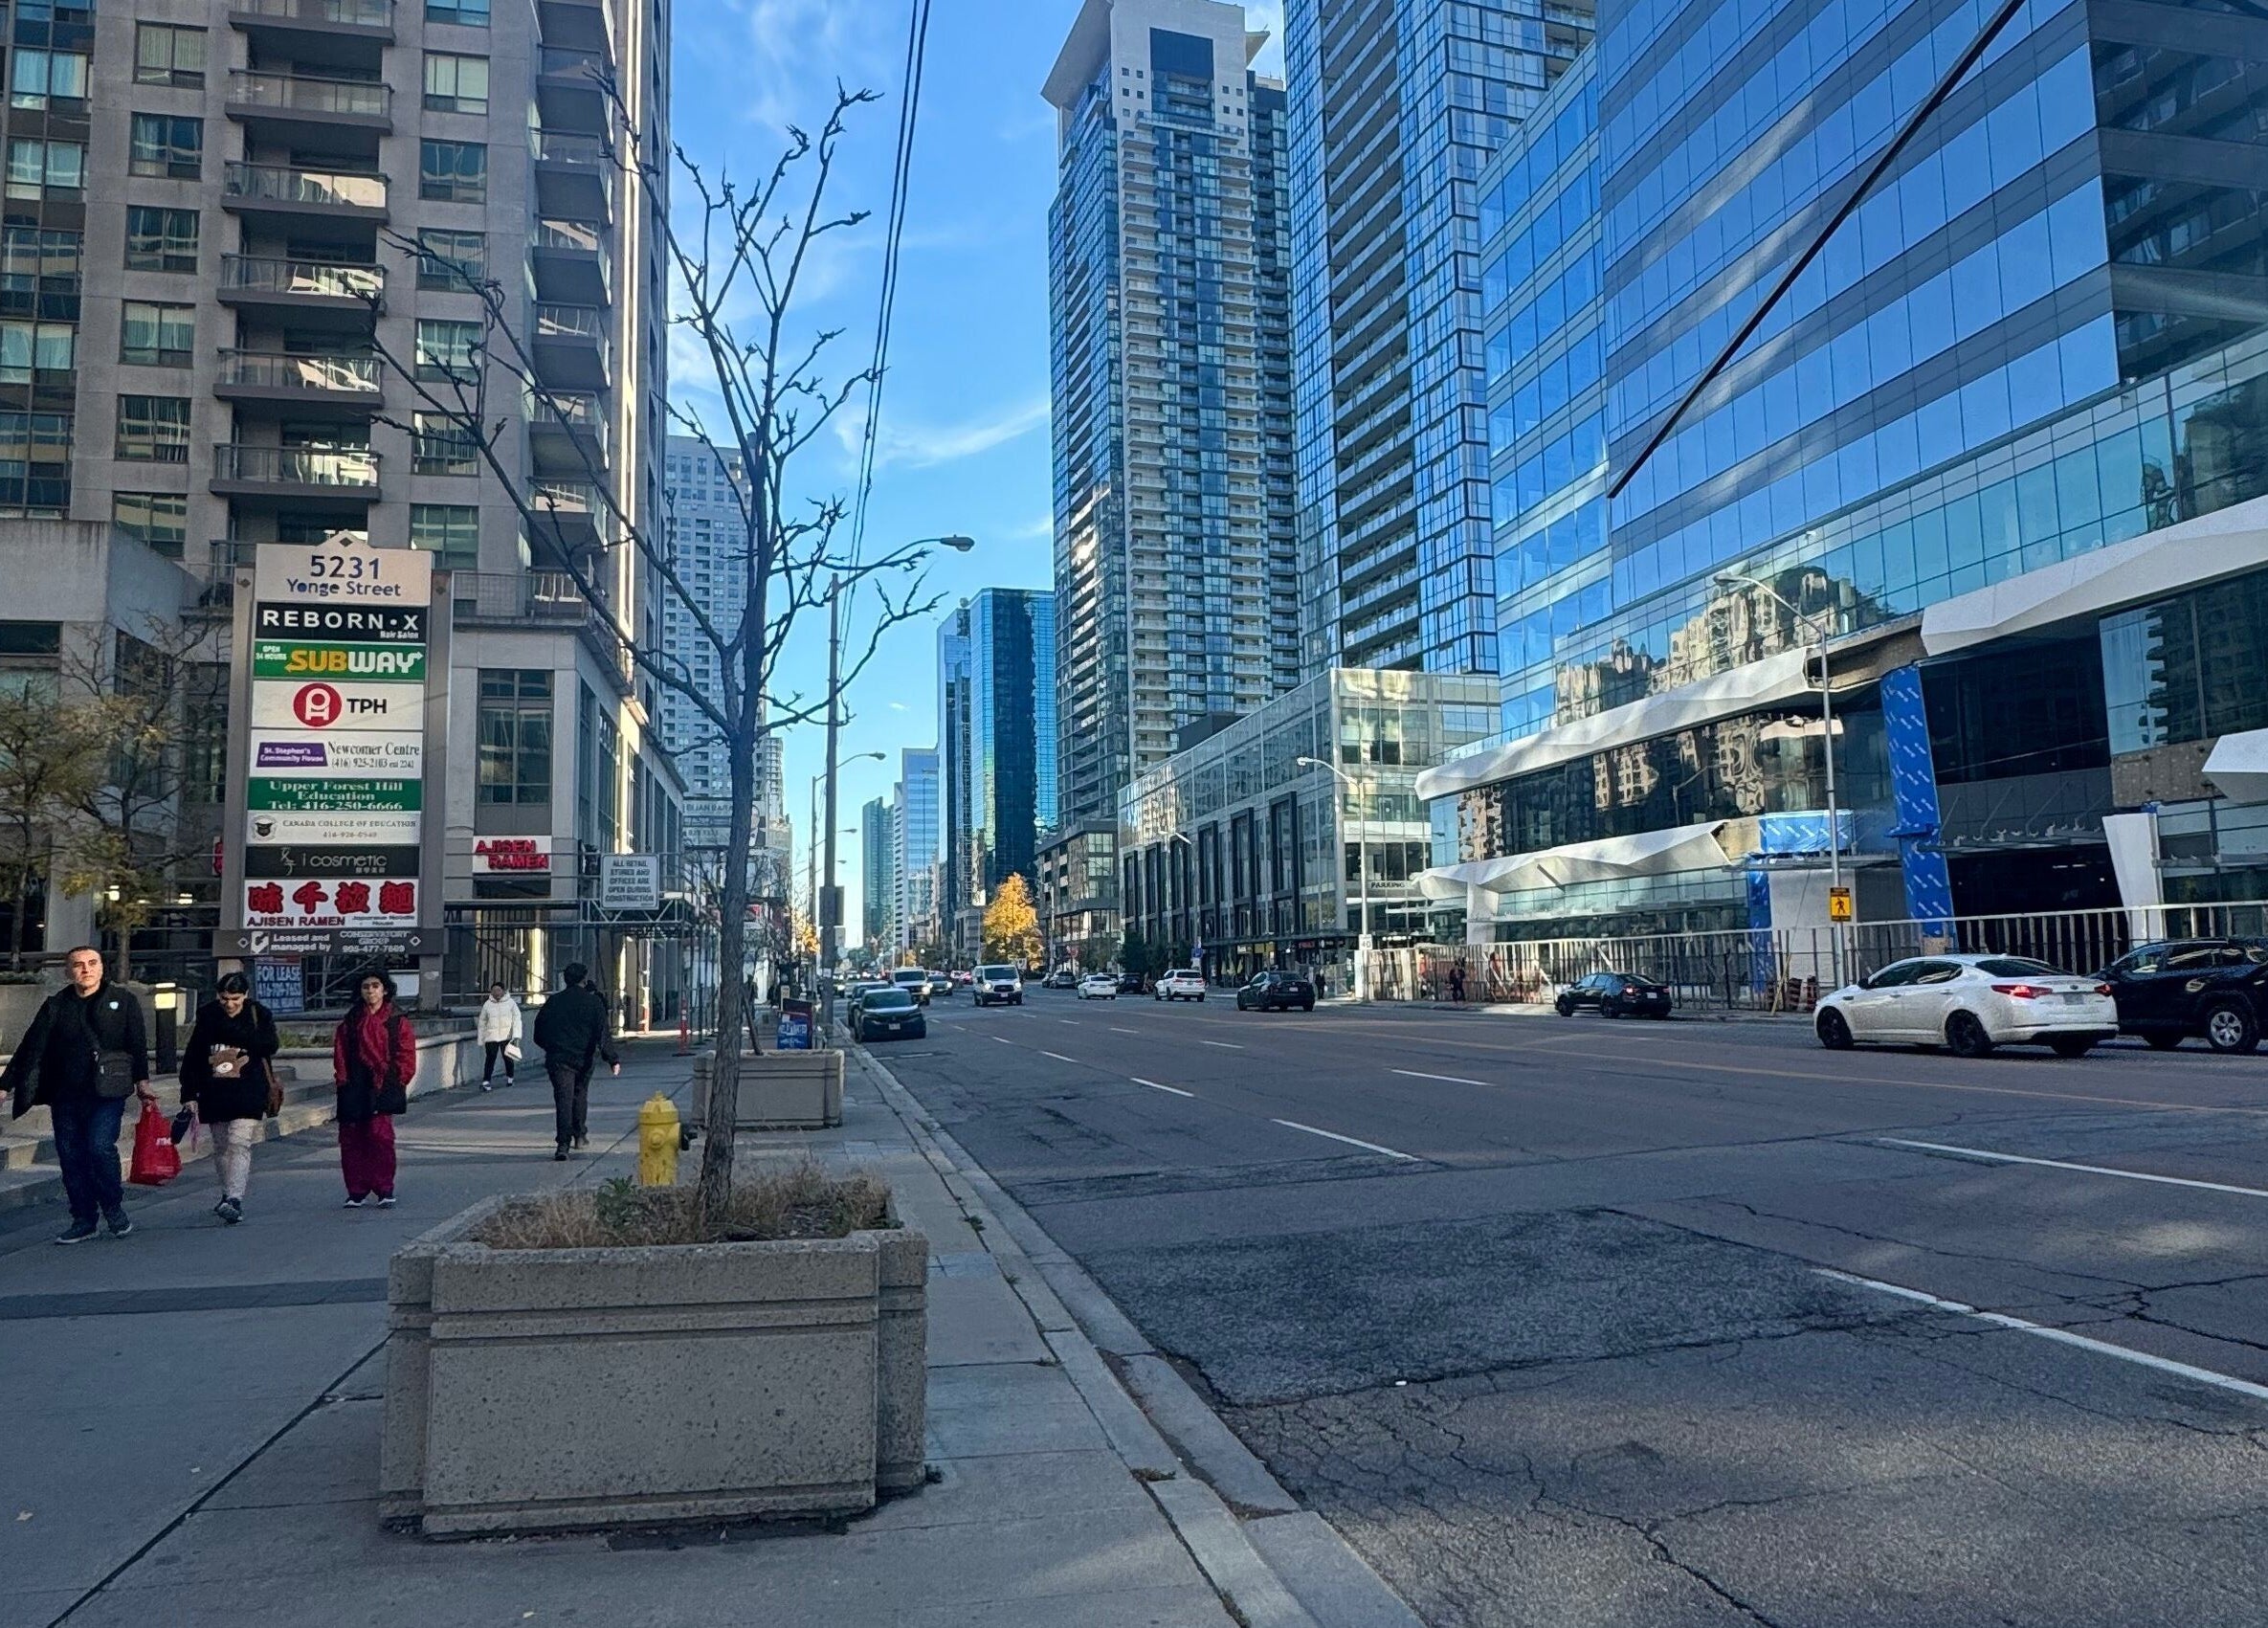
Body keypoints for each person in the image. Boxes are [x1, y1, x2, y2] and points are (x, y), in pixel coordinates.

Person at [2, 947, 152, 1244]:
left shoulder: (122, 1001)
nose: (86, 969)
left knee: (99, 1147)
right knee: (71, 1157)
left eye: (92, 963)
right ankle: (83, 1218)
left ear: (101, 968)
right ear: (68, 972)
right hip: (65, 1094)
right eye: (78, 965)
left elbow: (136, 1044)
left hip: (107, 1092)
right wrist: (5, 1084)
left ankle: (113, 1206)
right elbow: (31, 1047)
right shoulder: (56, 1006)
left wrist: (143, 1082)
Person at [177, 971, 281, 1225]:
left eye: (235, 998)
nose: (229, 1004)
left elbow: (271, 1045)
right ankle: (227, 1192)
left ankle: (235, 1198)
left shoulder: (259, 1014)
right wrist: (188, 1093)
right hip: (215, 1089)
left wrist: (238, 1040)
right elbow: (193, 1055)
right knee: (222, 1145)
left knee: (239, 1142)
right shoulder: (208, 1015)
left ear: (245, 995)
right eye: (224, 998)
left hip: (249, 1088)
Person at [332, 969, 415, 1208]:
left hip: (383, 1083)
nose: (371, 991)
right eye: (366, 986)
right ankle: (356, 1190)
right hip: (355, 1083)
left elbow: (406, 1053)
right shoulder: (350, 1021)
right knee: (352, 1139)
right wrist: (344, 1081)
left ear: (384, 989)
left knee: (381, 1138)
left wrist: (398, 1079)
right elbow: (340, 1053)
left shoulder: (397, 1020)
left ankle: (384, 1188)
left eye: (375, 986)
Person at [532, 963, 618, 1160]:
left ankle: (563, 1144)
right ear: (584, 979)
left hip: (559, 1058)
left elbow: (538, 1032)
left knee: (563, 1099)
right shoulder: (593, 1003)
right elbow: (602, 1034)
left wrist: (551, 1047)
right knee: (580, 1095)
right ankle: (579, 1134)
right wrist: (612, 1059)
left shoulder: (553, 1002)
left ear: (565, 979)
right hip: (584, 1057)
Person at [477, 982, 523, 1090]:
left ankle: (510, 1078)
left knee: (508, 1058)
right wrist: (481, 1038)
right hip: (491, 1036)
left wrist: (516, 1036)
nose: (496, 993)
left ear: (503, 991)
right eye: (494, 990)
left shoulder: (511, 1003)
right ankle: (486, 1080)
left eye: (498, 990)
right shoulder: (487, 1004)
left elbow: (517, 1020)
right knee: (490, 1059)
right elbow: (482, 1022)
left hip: (506, 1036)